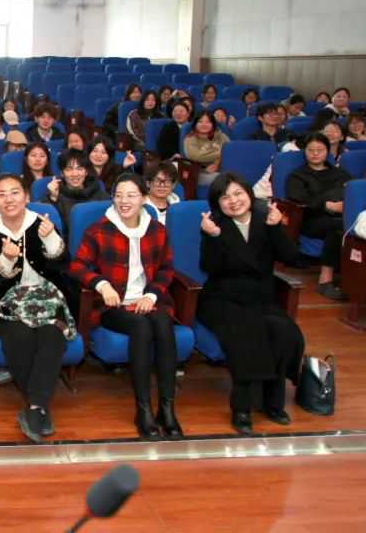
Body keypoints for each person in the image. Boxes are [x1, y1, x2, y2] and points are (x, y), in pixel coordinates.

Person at [69, 173, 182, 440]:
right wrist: (102, 285)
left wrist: (152, 295)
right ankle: (143, 409)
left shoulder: (156, 230)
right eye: (118, 195)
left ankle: (167, 408)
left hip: (148, 300)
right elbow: (77, 266)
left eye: (131, 195)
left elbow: (166, 269)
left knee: (163, 323)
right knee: (141, 327)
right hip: (113, 305)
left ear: (143, 198)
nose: (124, 201)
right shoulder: (99, 229)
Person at [198, 173, 304, 434]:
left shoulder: (265, 219)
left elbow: (292, 258)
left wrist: (276, 228)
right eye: (225, 197)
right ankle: (242, 407)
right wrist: (213, 237)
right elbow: (210, 267)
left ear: (249, 194)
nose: (233, 201)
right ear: (217, 203)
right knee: (246, 332)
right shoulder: (214, 225)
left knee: (284, 332)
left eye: (238, 194)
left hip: (260, 298)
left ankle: (273, 402)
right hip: (222, 299)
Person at [0, 174, 75, 442]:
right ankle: (39, 407)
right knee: (19, 336)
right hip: (8, 302)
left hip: (48, 297)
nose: (8, 199)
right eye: (1, 194)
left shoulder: (42, 223)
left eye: (14, 193)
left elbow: (62, 265)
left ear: (26, 197)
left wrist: (50, 238)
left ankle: (34, 407)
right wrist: (6, 259)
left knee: (51, 335)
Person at [287, 132, 352, 301]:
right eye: (311, 150)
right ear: (305, 151)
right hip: (310, 219)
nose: (315, 153)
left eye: (320, 150)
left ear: (327, 151)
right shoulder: (297, 176)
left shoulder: (340, 174)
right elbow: (300, 200)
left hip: (342, 215)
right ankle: (325, 280)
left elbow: (351, 193)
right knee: (337, 226)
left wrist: (342, 205)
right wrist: (328, 205)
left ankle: (354, 278)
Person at [42, 149, 108, 239]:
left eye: (79, 169)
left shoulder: (97, 191)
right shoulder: (55, 193)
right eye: (69, 169)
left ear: (86, 172)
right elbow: (52, 228)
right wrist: (52, 198)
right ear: (62, 173)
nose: (75, 174)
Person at [183, 111, 229, 187]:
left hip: (223, 168)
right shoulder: (190, 138)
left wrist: (216, 163)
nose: (204, 124)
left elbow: (231, 151)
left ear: (213, 124)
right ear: (195, 124)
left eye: (208, 122)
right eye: (200, 122)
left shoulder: (221, 136)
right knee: (224, 179)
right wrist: (222, 152)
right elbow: (197, 156)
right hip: (200, 172)